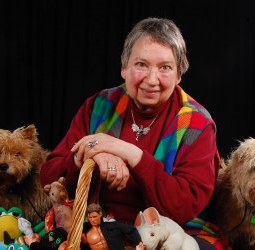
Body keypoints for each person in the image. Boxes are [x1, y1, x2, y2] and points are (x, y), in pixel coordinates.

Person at [40, 17, 221, 249]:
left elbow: (183, 207)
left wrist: (130, 153)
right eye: (141, 65)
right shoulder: (99, 105)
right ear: (124, 68)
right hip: (94, 225)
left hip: (165, 234)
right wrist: (89, 153)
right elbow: (48, 177)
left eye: (165, 67)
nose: (151, 79)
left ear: (179, 75)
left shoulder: (198, 123)